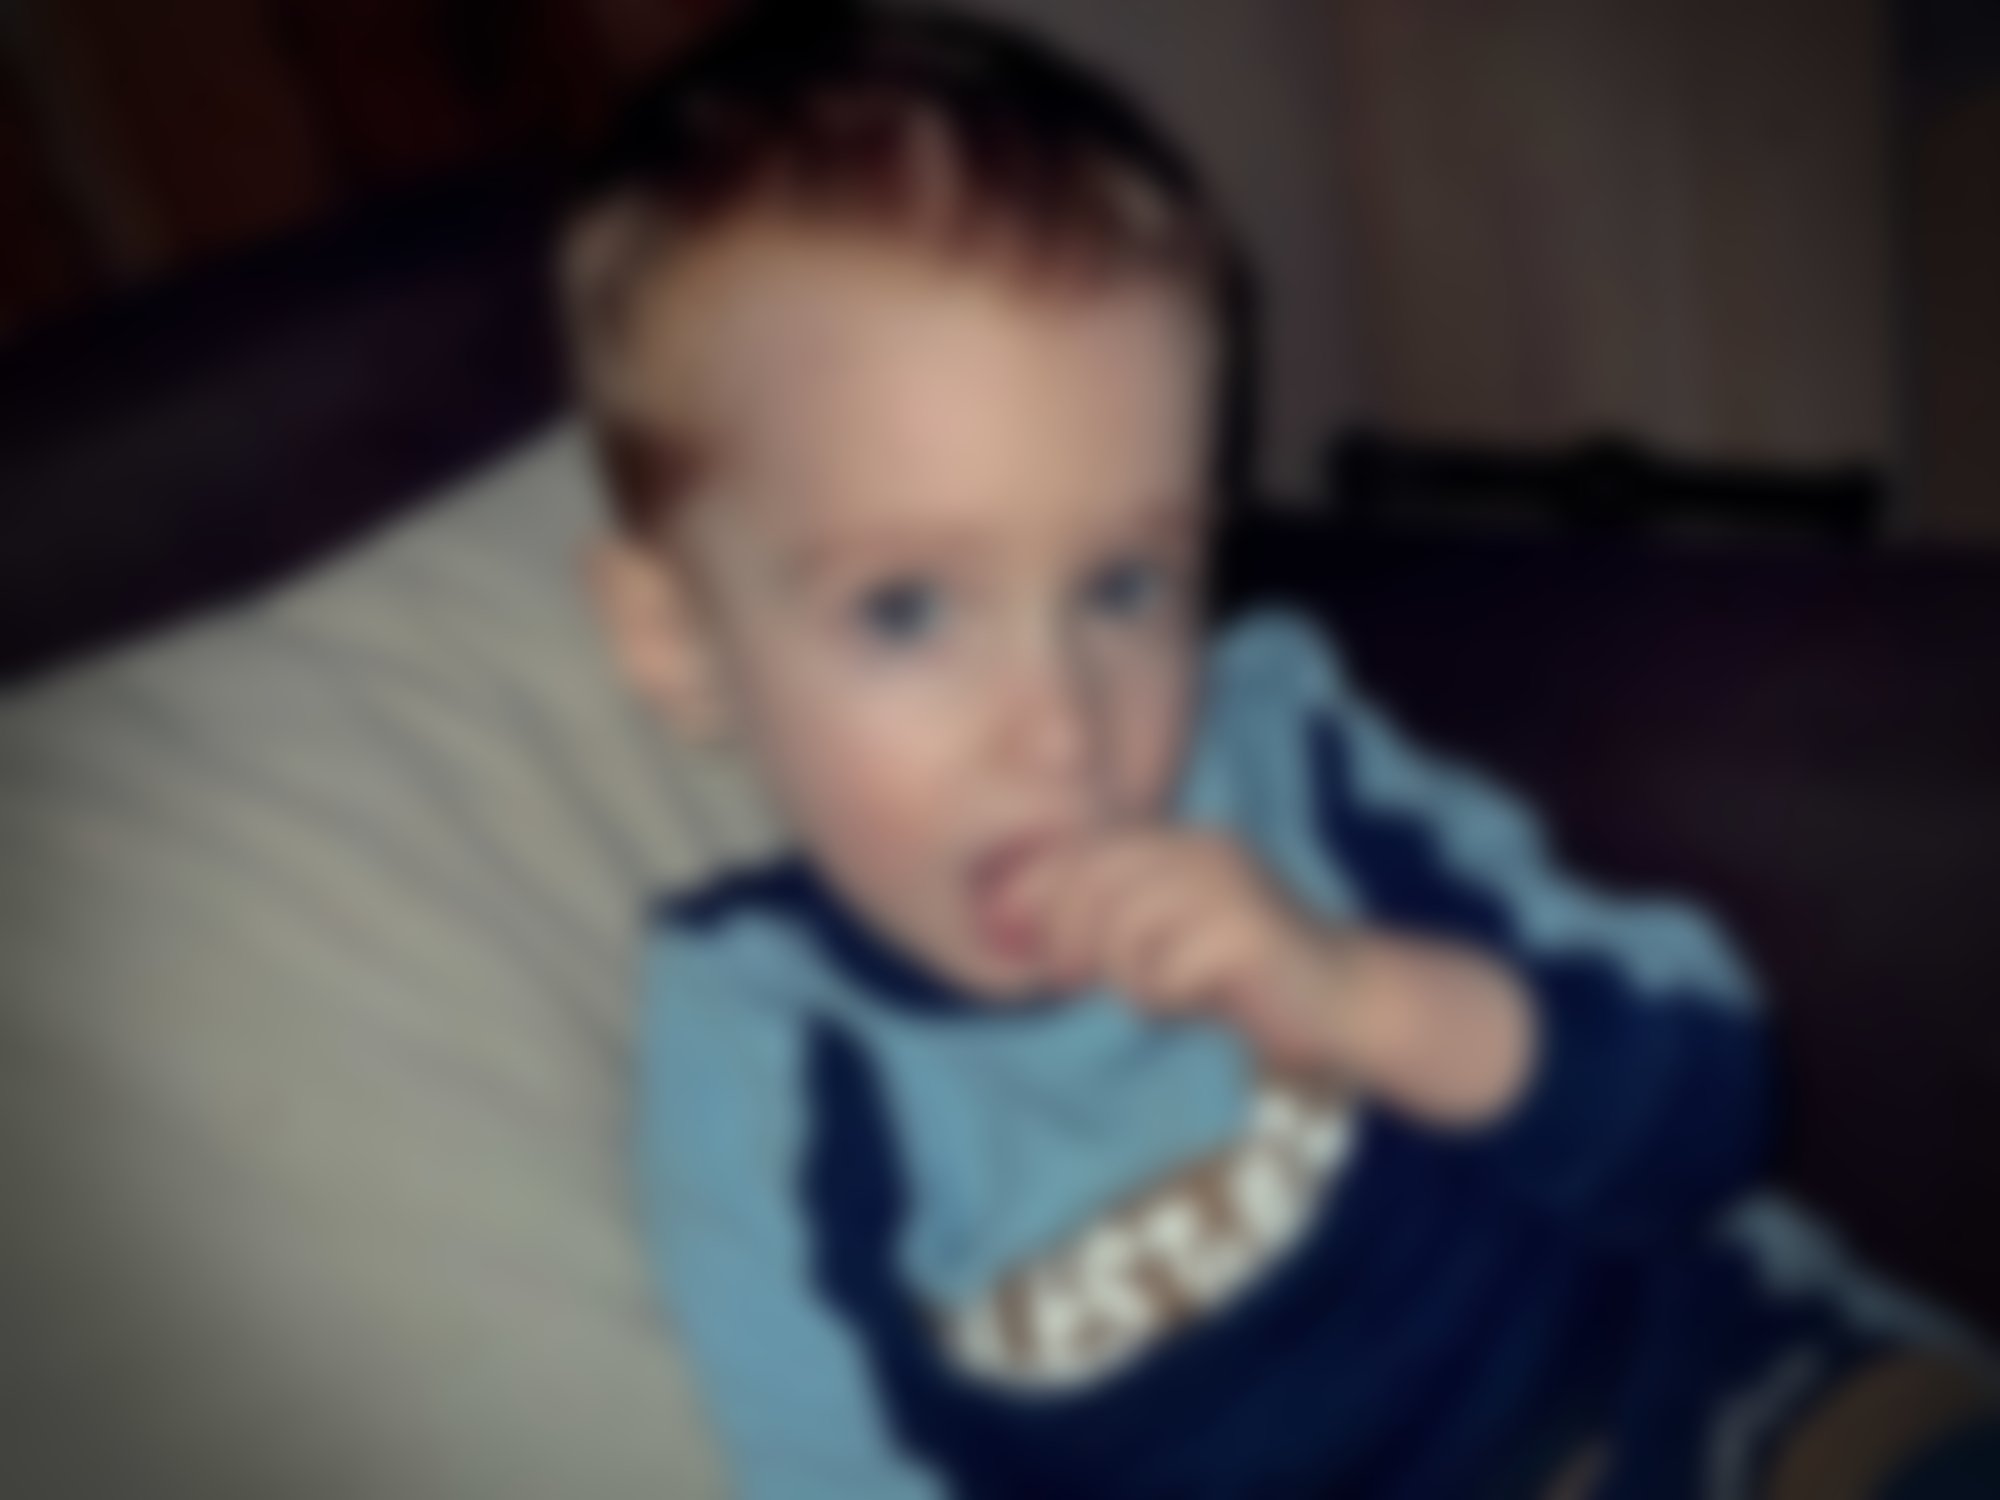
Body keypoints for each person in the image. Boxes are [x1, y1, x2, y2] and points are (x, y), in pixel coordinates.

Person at [561, 5, 1999, 1496]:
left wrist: (1361, 994)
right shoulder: (760, 1056)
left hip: (1707, 1387)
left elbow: (1706, 1096)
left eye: (1125, 585)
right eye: (907, 607)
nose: (1061, 728)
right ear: (675, 642)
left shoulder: (1280, 754)